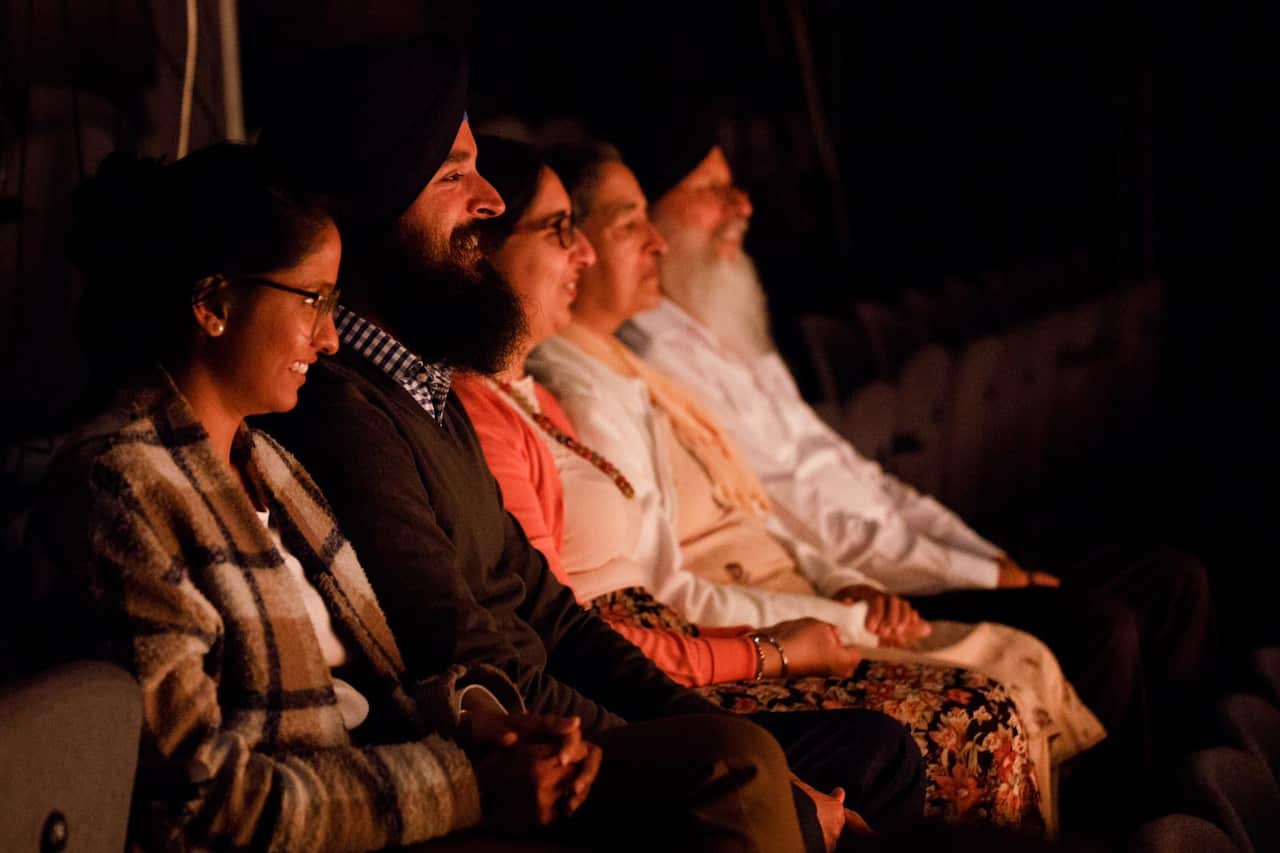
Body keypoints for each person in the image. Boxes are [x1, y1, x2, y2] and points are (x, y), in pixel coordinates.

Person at [255, 37, 925, 851]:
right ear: (376, 207)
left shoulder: (423, 384)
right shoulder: (343, 410)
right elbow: (476, 657)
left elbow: (554, 616)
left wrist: (706, 727)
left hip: (585, 705)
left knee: (868, 752)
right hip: (528, 753)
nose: (490, 201)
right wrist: (735, 758)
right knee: (774, 764)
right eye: (454, 175)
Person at [20, 142, 712, 851]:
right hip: (362, 823)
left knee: (716, 775)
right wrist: (470, 785)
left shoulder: (273, 466)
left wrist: (480, 717)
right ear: (214, 303)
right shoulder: (121, 490)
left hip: (404, 802)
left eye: (335, 303)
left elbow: (382, 679)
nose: (328, 339)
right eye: (314, 301)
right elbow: (200, 799)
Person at [603, 128, 1217, 828]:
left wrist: (992, 562)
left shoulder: (723, 326)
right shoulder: (646, 354)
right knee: (1099, 627)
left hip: (902, 561)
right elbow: (796, 510)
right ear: (650, 219)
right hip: (878, 579)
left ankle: (1180, 811)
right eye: (710, 190)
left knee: (1172, 581)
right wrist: (976, 578)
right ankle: (1120, 827)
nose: (741, 202)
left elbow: (855, 473)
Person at [454, 134, 1046, 829]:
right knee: (963, 717)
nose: (586, 251)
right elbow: (570, 624)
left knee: (1006, 681)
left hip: (711, 627)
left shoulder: (545, 394)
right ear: (480, 250)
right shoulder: (526, 395)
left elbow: (821, 479)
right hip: (655, 656)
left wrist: (840, 594)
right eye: (565, 231)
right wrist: (779, 645)